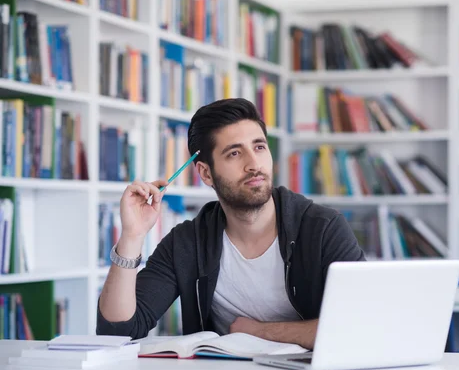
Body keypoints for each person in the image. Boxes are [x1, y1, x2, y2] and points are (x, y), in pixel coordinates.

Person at [96, 98, 366, 350]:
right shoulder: (188, 243)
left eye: (259, 147)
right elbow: (118, 333)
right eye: (234, 153)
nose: (254, 164)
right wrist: (132, 236)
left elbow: (363, 324)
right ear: (205, 172)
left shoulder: (322, 229)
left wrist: (260, 331)